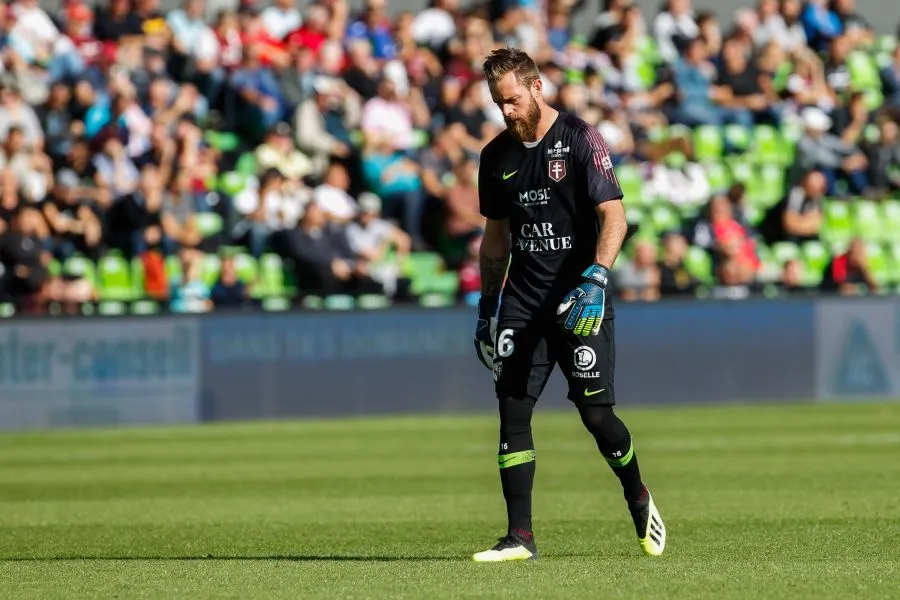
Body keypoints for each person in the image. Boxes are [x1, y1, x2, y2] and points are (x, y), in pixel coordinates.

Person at [471, 48, 666, 563]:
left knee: (597, 416)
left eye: (512, 100)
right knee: (512, 409)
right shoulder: (495, 157)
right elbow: (495, 241)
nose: (507, 112)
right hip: (522, 301)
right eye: (498, 103)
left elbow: (614, 217)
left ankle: (637, 494)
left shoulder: (580, 139)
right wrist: (487, 308)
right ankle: (520, 538)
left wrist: (597, 278)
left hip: (580, 299)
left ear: (537, 87)